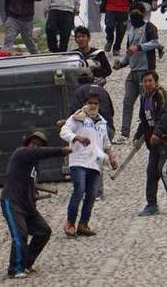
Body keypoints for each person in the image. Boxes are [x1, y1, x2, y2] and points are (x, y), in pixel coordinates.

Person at [0, 132, 72, 278]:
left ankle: (26, 262)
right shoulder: (21, 153)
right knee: (20, 234)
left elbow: (29, 184)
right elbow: (43, 153)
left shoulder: (34, 166)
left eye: (38, 145)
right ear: (28, 144)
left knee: (43, 231)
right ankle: (15, 269)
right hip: (12, 201)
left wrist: (33, 194)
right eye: (33, 144)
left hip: (27, 205)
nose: (35, 147)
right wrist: (62, 151)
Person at [60, 94, 118, 237]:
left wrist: (111, 157)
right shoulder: (77, 117)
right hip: (79, 160)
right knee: (79, 190)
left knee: (92, 194)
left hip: (95, 163)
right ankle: (70, 223)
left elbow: (106, 143)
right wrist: (77, 137)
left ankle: (83, 224)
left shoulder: (102, 122)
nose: (93, 105)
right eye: (90, 102)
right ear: (85, 103)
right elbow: (64, 132)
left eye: (96, 103)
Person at [133, 71, 167, 216]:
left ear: (155, 81)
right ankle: (151, 204)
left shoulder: (162, 95)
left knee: (164, 170)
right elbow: (144, 120)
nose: (147, 84)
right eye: (145, 81)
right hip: (154, 145)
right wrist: (137, 137)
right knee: (151, 172)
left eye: (150, 81)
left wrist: (156, 133)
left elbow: (165, 116)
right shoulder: (144, 98)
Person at [112, 2, 160, 143]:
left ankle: (146, 132)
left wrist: (139, 47)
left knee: (146, 104)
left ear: (143, 13)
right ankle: (124, 134)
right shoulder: (131, 30)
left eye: (137, 12)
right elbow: (129, 51)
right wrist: (121, 63)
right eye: (132, 11)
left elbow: (156, 42)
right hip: (133, 72)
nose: (134, 15)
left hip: (146, 72)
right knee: (127, 102)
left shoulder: (149, 27)